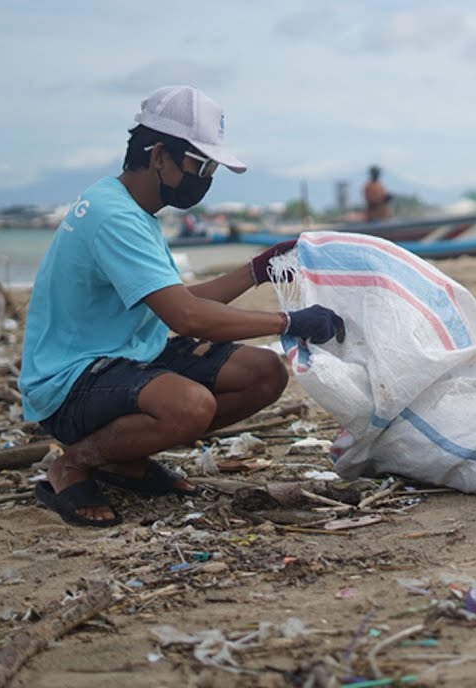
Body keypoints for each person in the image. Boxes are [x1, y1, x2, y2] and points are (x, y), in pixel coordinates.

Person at [19, 85, 346, 527]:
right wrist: (288, 321)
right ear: (158, 156)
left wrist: (257, 271)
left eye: (211, 167)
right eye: (199, 164)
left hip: (127, 356)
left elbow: (178, 300)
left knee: (263, 374)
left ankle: (123, 460)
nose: (206, 177)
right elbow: (187, 318)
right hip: (71, 380)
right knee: (189, 406)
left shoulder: (130, 207)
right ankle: (73, 464)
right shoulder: (114, 216)